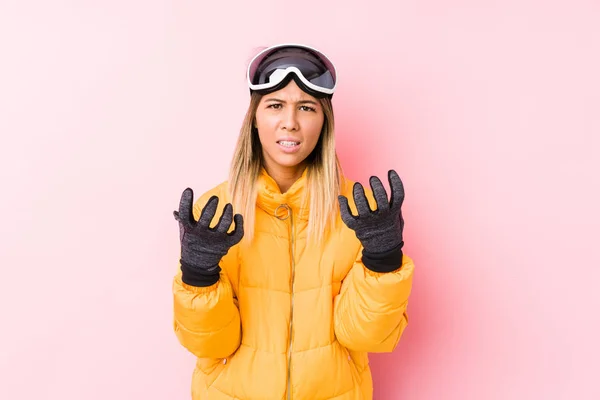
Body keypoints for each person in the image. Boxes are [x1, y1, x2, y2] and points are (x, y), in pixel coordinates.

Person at [172, 43, 415, 400]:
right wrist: (198, 276)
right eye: (275, 105)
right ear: (255, 117)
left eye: (306, 107)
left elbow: (365, 338)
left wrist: (383, 262)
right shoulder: (214, 214)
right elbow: (211, 342)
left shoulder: (360, 214)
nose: (290, 122)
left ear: (324, 121)